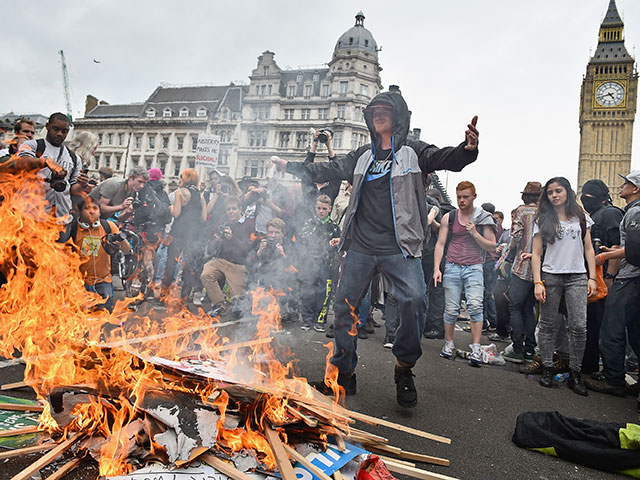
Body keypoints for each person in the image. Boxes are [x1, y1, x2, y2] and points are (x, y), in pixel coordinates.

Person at [272, 91, 479, 407]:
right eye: (374, 111)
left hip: (400, 246)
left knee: (413, 299)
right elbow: (326, 170)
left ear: (398, 116)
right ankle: (344, 375)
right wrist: (289, 166)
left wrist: (467, 150)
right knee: (343, 307)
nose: (379, 114)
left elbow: (446, 158)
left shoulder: (414, 151)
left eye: (385, 110)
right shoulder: (360, 156)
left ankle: (404, 368)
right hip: (361, 245)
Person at [532, 177, 596, 396]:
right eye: (550, 193)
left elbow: (588, 249)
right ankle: (548, 367)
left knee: (579, 326)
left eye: (558, 191)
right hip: (550, 276)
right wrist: (537, 281)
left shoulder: (582, 217)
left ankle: (575, 373)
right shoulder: (542, 219)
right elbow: (537, 254)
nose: (554, 195)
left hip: (577, 276)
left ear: (567, 192)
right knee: (548, 324)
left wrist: (592, 277)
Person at [585, 171, 640, 404]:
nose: (621, 185)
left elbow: (635, 250)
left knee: (612, 330)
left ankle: (614, 380)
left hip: (629, 279)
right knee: (635, 333)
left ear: (636, 188)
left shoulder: (635, 212)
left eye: (626, 183)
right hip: (630, 278)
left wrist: (606, 259)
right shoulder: (627, 212)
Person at [433, 181, 497, 366]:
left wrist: (475, 233)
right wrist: (437, 268)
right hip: (452, 266)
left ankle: (476, 347)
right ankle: (449, 343)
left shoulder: (483, 217)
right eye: (459, 196)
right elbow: (440, 243)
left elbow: (492, 246)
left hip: (474, 267)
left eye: (465, 197)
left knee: (476, 306)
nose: (461, 200)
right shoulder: (449, 217)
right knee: (451, 309)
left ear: (474, 197)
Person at [578, 179, 624, 375]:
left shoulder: (610, 213)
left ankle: (607, 373)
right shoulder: (594, 214)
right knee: (589, 324)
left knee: (601, 326)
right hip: (592, 277)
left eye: (589, 196)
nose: (585, 199)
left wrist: (609, 276)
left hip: (604, 278)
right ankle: (587, 366)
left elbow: (616, 246)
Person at [17, 113, 87, 223]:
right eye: (56, 129)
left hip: (61, 219)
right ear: (47, 126)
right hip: (31, 216)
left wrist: (82, 184)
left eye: (64, 131)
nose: (59, 134)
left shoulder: (74, 158)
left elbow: (73, 189)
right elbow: (23, 163)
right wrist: (46, 162)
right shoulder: (32, 145)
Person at [502, 182, 542, 361]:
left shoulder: (521, 211)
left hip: (521, 266)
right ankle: (530, 349)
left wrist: (509, 250)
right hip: (539, 269)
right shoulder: (546, 213)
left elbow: (516, 236)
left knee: (515, 306)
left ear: (524, 196)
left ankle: (517, 347)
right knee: (529, 309)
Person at [71, 198, 129, 312]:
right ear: (80, 211)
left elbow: (126, 249)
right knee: (82, 321)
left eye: (95, 208)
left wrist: (121, 242)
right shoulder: (72, 229)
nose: (92, 211)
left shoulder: (108, 226)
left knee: (103, 319)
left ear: (100, 211)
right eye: (87, 208)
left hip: (104, 282)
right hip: (81, 283)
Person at [200, 196, 254, 316]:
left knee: (238, 309)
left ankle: (241, 305)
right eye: (228, 209)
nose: (231, 212)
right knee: (206, 274)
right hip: (221, 259)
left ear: (240, 209)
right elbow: (212, 236)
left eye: (234, 209)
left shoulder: (249, 224)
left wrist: (231, 238)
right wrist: (217, 239)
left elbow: (247, 249)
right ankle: (219, 304)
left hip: (238, 264)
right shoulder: (224, 220)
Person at [298, 194, 341, 331]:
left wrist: (334, 245)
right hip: (309, 263)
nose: (321, 211)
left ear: (329, 209)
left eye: (324, 208)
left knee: (325, 292)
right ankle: (307, 320)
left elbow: (339, 245)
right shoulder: (308, 224)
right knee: (307, 291)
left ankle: (320, 320)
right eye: (318, 208)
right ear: (315, 208)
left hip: (326, 266)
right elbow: (302, 240)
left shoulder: (334, 227)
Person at [162, 168, 207, 297]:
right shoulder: (200, 196)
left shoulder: (180, 192)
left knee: (171, 262)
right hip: (193, 235)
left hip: (178, 233)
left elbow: (176, 213)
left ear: (185, 179)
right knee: (189, 265)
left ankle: (164, 295)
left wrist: (170, 207)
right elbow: (204, 219)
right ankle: (184, 297)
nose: (179, 180)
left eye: (181, 177)